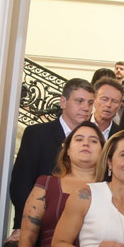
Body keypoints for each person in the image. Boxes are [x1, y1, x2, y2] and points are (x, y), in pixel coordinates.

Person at [10, 78, 95, 231]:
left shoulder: (95, 141)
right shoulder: (37, 134)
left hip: (81, 228)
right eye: (79, 101)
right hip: (39, 227)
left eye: (90, 103)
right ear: (63, 102)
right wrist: (27, 225)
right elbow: (21, 184)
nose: (86, 108)